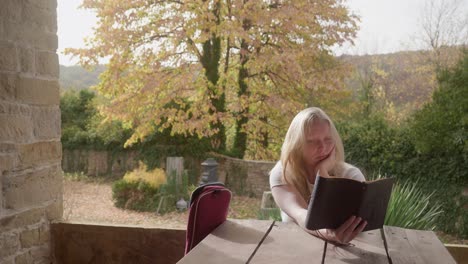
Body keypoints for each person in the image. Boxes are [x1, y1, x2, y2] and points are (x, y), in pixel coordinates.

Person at [270, 107, 367, 245]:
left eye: (327, 139)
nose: (322, 147)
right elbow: (301, 215)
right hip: (294, 249)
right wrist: (330, 234)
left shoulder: (351, 175)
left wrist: (322, 171)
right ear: (296, 145)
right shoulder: (283, 173)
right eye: (312, 141)